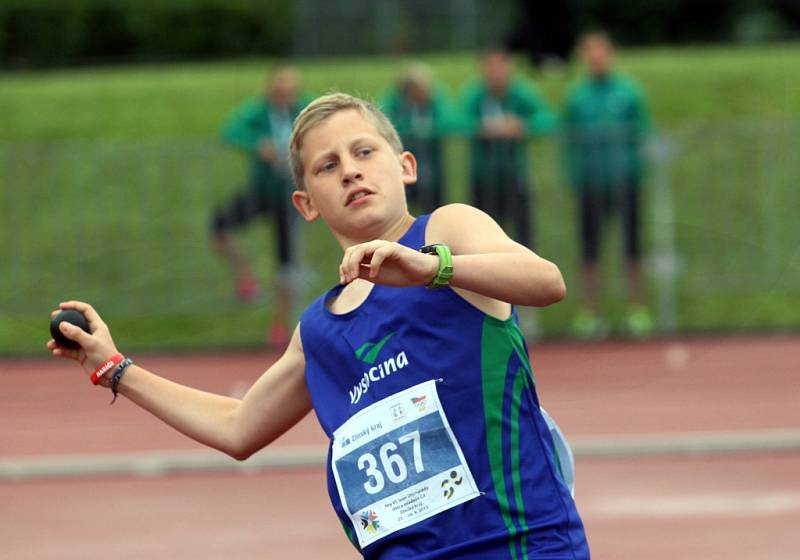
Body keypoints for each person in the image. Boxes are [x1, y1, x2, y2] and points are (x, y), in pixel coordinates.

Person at [48, 93, 590, 559]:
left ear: (405, 166)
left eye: (363, 152)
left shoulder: (446, 229)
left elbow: (545, 280)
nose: (350, 170)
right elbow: (238, 428)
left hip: (521, 546)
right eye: (327, 166)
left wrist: (432, 266)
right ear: (306, 204)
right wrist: (114, 369)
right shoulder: (318, 331)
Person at [562, 32, 653, 339]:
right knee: (590, 250)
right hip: (591, 183)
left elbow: (642, 133)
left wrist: (637, 170)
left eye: (601, 52)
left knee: (632, 247)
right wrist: (575, 176)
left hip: (624, 181)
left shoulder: (628, 92)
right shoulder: (578, 96)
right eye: (590, 53)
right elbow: (568, 138)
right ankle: (590, 312)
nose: (596, 59)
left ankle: (637, 310)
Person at [211, 66, 307, 347]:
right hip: (262, 189)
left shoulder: (302, 109)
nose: (285, 97)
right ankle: (246, 276)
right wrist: (258, 145)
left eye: (290, 91)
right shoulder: (259, 111)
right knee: (220, 226)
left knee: (287, 263)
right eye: (280, 91)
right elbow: (230, 130)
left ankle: (280, 323)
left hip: (289, 196)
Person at [460, 48, 556, 250]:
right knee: (481, 234)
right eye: (491, 67)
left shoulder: (521, 93)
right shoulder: (475, 94)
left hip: (515, 175)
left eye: (500, 67)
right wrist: (481, 128)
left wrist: (523, 126)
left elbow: (547, 117)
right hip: (483, 177)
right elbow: (454, 119)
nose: (496, 73)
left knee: (523, 231)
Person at [380, 63, 455, 213]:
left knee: (433, 204)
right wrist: (411, 129)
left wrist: (427, 130)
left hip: (431, 164)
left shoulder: (435, 100)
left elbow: (448, 120)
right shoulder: (396, 102)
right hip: (403, 164)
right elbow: (383, 121)